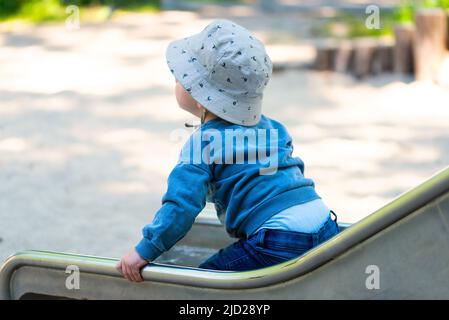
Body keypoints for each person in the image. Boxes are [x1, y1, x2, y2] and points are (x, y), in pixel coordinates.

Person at [116, 19, 340, 282]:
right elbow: (276, 177)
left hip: (277, 238)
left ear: (199, 97)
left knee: (202, 286)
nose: (176, 80)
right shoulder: (274, 128)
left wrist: (144, 251)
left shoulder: (203, 143)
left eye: (181, 77)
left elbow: (182, 206)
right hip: (324, 224)